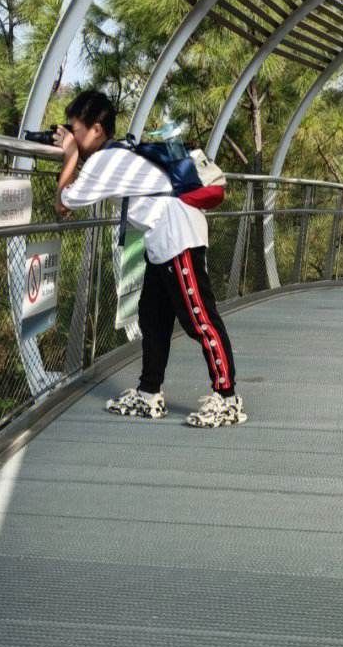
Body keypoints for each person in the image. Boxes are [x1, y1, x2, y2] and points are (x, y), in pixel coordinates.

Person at [56, 89, 246, 427]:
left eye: (76, 129)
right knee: (153, 320)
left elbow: (63, 204)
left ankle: (227, 398)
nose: (73, 136)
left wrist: (70, 155)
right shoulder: (115, 155)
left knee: (199, 318)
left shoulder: (103, 160)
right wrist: (75, 152)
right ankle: (149, 393)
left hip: (177, 237)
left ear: (96, 130)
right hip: (162, 239)